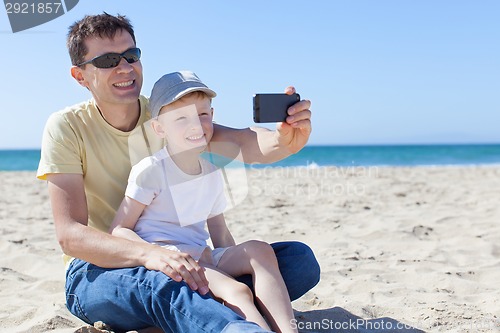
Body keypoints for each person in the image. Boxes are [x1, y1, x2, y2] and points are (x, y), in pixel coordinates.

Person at [37, 12, 319, 333]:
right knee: (161, 283)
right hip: (101, 270)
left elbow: (243, 141)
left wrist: (286, 139)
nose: (126, 67)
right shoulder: (67, 126)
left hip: (186, 259)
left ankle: (182, 315)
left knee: (297, 261)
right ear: (80, 76)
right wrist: (152, 256)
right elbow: (70, 235)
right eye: (109, 60)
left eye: (132, 56)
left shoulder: (172, 112)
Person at [110, 70, 298, 333]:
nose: (196, 125)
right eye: (181, 118)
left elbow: (218, 230)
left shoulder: (211, 170)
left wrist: (234, 262)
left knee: (259, 250)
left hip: (202, 255)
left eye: (203, 115)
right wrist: (156, 255)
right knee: (238, 291)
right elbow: (119, 230)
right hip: (170, 261)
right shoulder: (151, 169)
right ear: (159, 128)